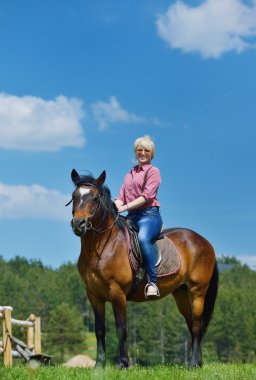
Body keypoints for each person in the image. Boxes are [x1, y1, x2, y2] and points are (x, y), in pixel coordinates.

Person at [115, 135, 163, 299]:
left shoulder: (153, 171)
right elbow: (121, 195)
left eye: (146, 150)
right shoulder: (130, 173)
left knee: (142, 238)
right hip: (131, 216)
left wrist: (125, 207)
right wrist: (115, 204)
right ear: (136, 152)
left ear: (151, 153)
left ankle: (152, 283)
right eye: (139, 150)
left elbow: (146, 196)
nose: (142, 153)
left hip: (149, 215)